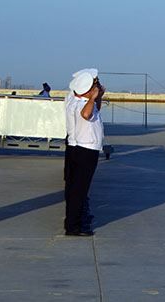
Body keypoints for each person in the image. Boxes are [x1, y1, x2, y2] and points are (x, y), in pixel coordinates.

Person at [64, 68, 104, 237]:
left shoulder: (73, 99)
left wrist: (96, 97)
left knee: (75, 187)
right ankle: (74, 225)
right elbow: (86, 114)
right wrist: (94, 97)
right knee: (79, 189)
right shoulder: (82, 104)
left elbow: (94, 110)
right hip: (85, 149)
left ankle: (75, 220)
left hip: (77, 147)